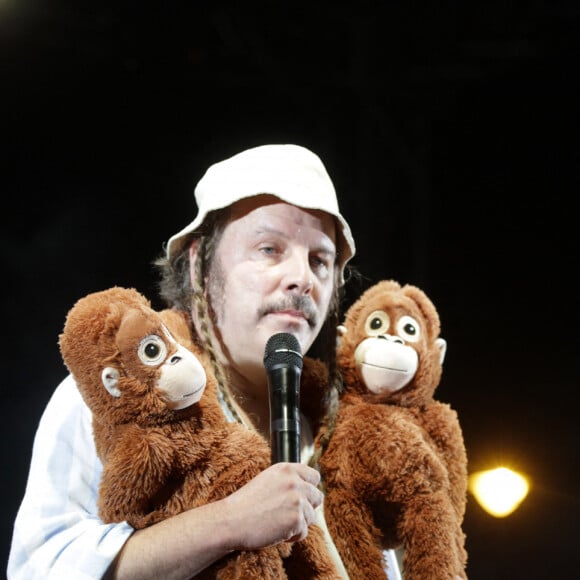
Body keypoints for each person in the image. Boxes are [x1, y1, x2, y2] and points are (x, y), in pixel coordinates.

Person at [7, 144, 402, 579]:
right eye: (269, 249)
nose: (302, 278)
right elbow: (40, 568)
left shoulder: (346, 430)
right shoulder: (115, 391)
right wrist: (230, 522)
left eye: (319, 260)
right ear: (200, 263)